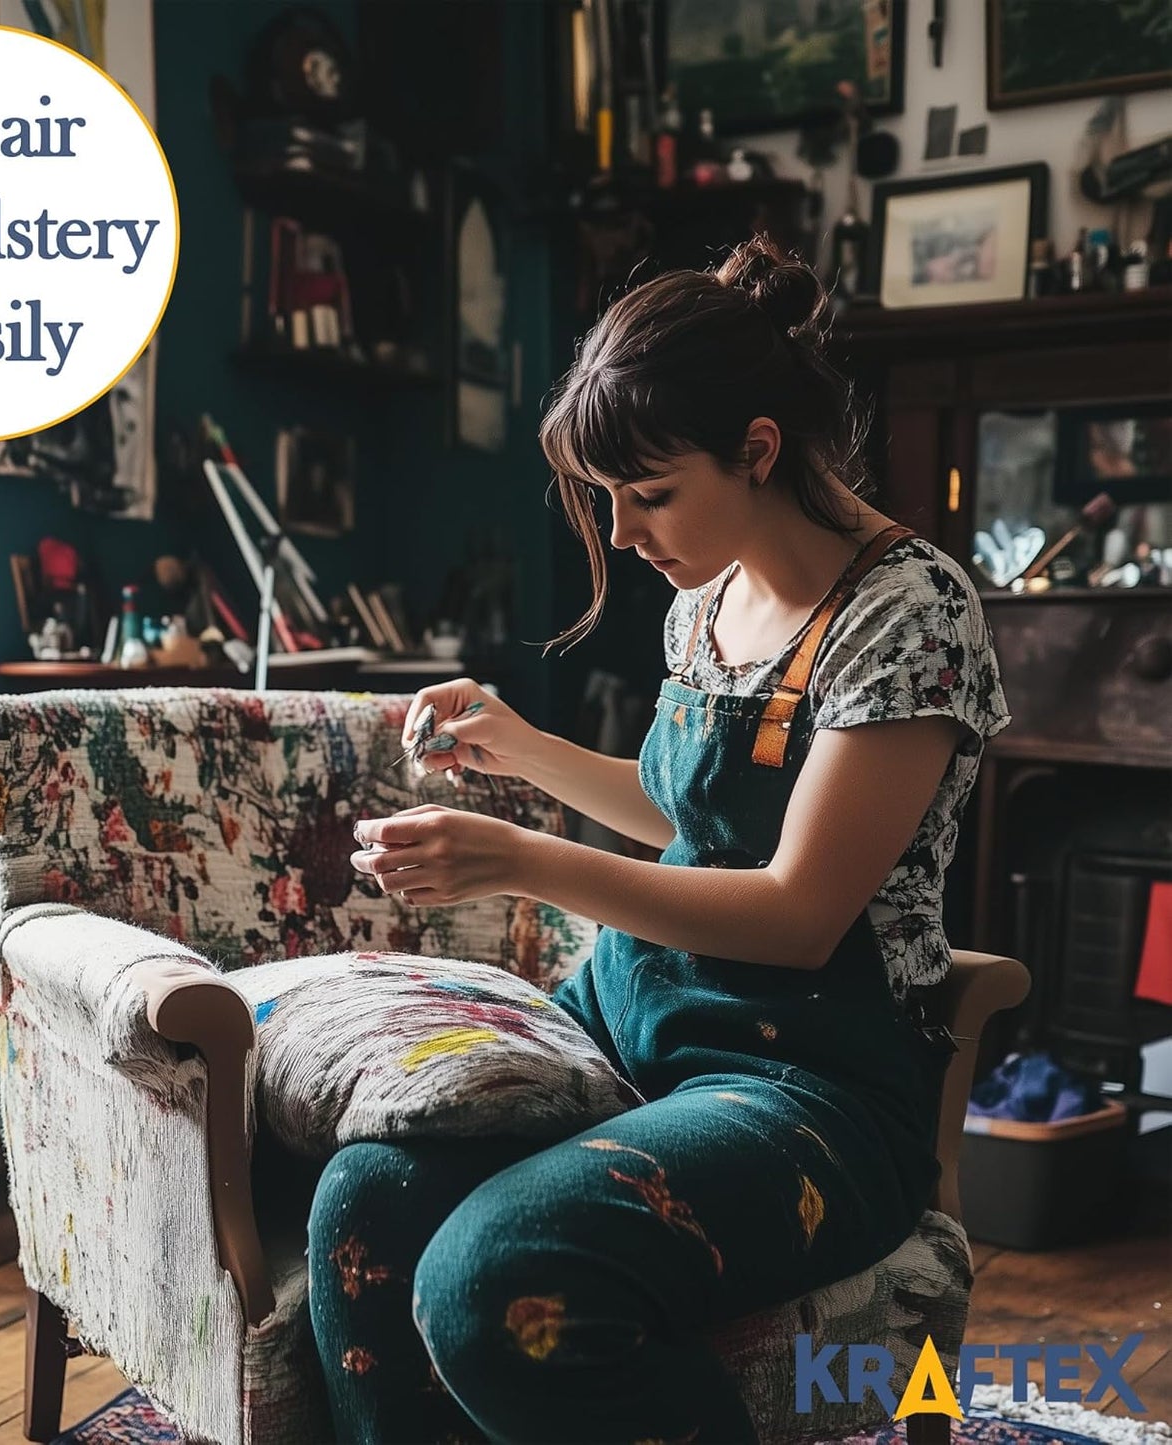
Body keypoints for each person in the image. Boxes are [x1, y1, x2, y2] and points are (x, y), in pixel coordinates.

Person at [314, 237, 1010, 1444]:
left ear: (757, 448)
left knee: (497, 1283)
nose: (624, 531)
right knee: (365, 1196)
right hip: (634, 1017)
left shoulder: (907, 611)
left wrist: (522, 858)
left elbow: (797, 910)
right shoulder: (708, 594)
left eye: (648, 492)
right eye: (606, 497)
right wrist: (519, 746)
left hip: (810, 1081)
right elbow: (683, 811)